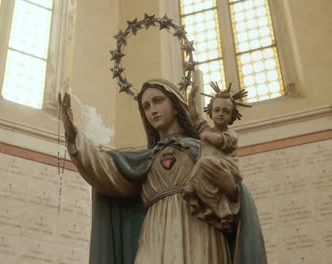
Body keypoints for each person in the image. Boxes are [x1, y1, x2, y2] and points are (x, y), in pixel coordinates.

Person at [59, 79, 267, 264]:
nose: (152, 110)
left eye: (158, 101)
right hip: (155, 234)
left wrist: (229, 186)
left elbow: (232, 196)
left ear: (176, 106)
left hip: (200, 232)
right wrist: (74, 138)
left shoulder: (202, 148)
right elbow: (106, 171)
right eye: (146, 106)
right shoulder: (145, 159)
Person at [183, 82, 250, 232]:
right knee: (206, 182)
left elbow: (219, 141)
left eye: (226, 111)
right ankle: (212, 208)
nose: (220, 113)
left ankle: (193, 186)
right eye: (217, 110)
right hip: (207, 171)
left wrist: (206, 135)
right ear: (211, 112)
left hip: (225, 168)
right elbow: (194, 117)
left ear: (232, 116)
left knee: (203, 162)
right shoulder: (206, 128)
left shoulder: (231, 134)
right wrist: (191, 98)